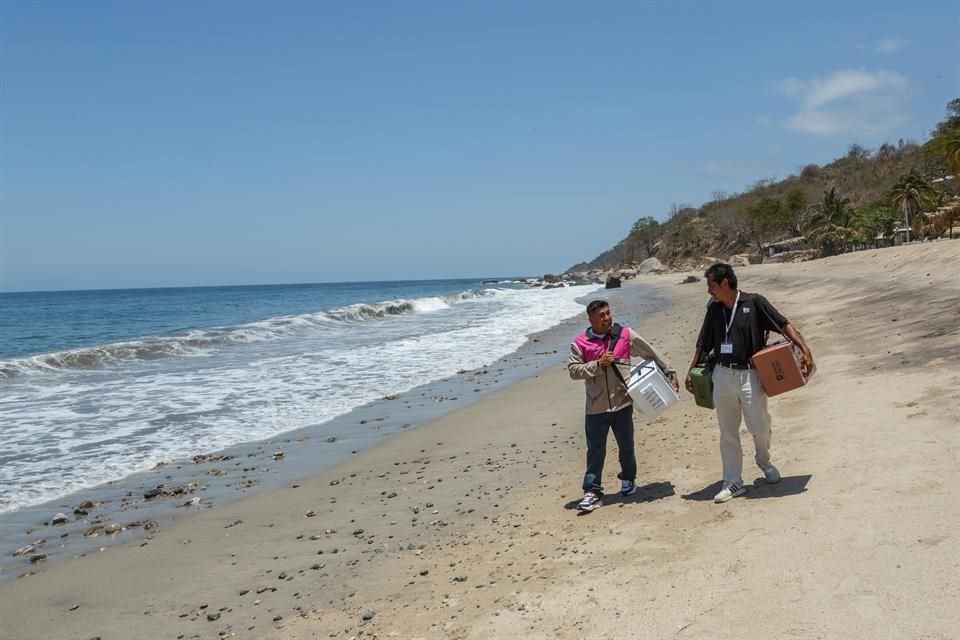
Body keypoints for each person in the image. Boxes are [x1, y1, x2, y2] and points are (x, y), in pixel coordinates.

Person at [684, 263, 814, 503]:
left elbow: (784, 324)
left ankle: (763, 460)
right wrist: (692, 371)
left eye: (711, 285)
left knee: (760, 426)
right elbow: (703, 344)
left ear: (725, 283)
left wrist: (804, 348)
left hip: (750, 374)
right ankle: (733, 481)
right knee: (727, 432)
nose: (708, 291)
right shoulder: (713, 309)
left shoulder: (754, 303)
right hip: (722, 375)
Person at [568, 299, 679, 512]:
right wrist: (598, 364)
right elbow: (574, 371)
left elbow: (651, 352)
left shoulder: (625, 334)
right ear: (590, 319)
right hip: (595, 407)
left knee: (626, 446)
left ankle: (628, 479)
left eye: (608, 313)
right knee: (595, 450)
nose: (607, 318)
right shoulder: (580, 343)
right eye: (601, 315)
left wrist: (670, 372)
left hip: (622, 402)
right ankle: (592, 491)